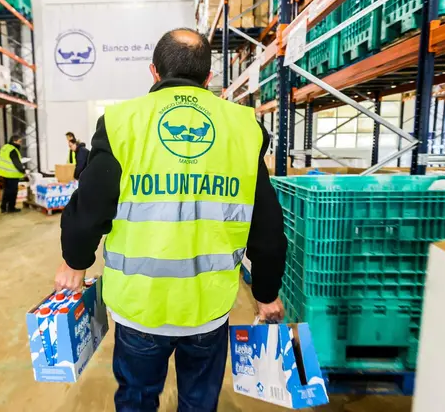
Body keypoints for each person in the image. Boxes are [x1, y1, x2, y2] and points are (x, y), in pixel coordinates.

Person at [54, 28, 287, 411]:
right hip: (208, 309)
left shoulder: (121, 122)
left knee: (138, 399)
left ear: (153, 71)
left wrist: (74, 262)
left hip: (140, 308)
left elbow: (90, 208)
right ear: (208, 78)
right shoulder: (244, 128)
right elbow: (267, 226)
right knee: (198, 402)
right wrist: (266, 292)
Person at [0, 135, 26, 213]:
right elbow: (16, 162)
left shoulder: (5, 147)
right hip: (12, 174)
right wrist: (23, 171)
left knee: (6, 191)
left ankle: (3, 207)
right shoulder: (13, 149)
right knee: (12, 192)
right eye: (19, 141)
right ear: (14, 141)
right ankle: (11, 208)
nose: (20, 143)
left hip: (3, 172)